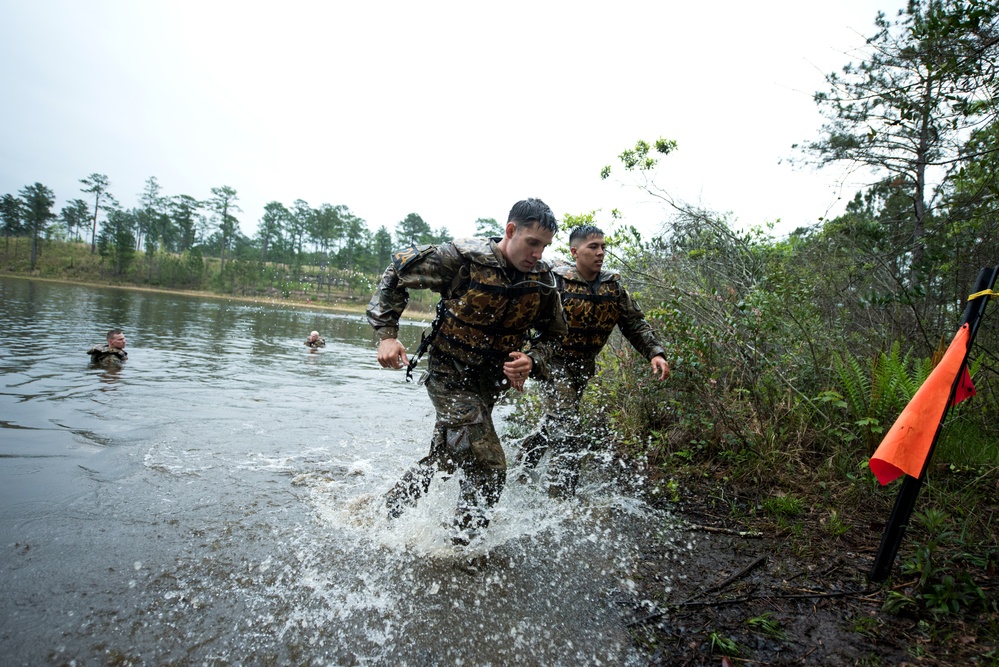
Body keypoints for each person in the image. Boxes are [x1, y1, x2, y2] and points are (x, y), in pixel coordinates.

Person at [367, 198, 567, 545]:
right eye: (531, 242)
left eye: (545, 246)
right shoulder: (462, 260)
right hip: (448, 374)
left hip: (489, 382)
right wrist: (387, 336)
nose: (537, 253)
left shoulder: (543, 280)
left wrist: (532, 359)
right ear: (510, 231)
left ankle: (388, 511)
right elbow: (397, 272)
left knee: (447, 456)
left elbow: (555, 335)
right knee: (490, 465)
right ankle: (463, 548)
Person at [517, 224, 670, 498]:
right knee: (568, 427)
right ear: (575, 252)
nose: (600, 253)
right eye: (593, 247)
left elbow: (634, 323)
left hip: (582, 367)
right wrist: (521, 360)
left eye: (603, 247)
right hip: (552, 363)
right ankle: (560, 500)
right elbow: (523, 317)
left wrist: (655, 352)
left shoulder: (613, 287)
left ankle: (522, 466)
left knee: (556, 421)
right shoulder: (556, 281)